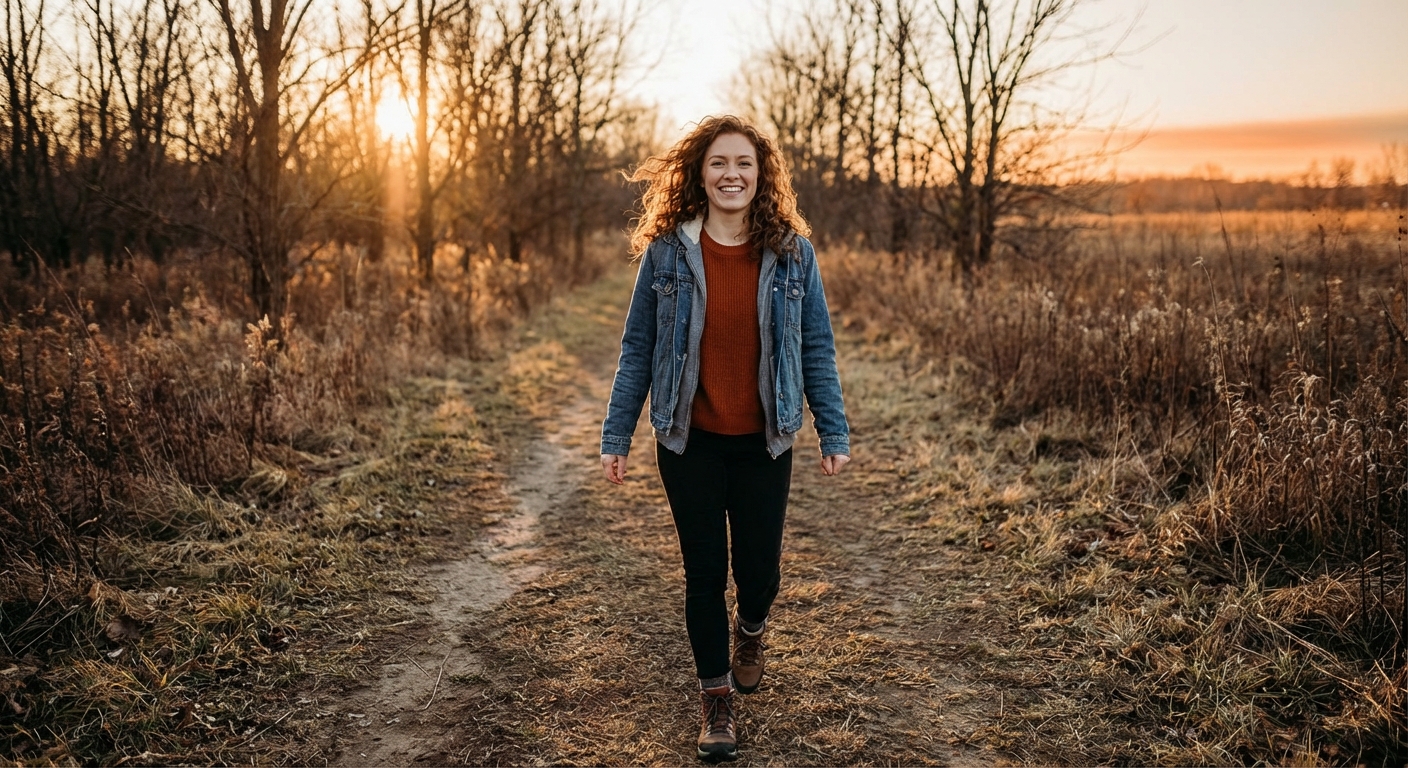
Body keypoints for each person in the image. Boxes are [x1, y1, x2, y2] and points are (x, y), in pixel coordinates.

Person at [599, 115, 851, 762]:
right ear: (699, 175)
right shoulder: (667, 252)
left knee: (759, 571)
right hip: (691, 442)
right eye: (718, 163)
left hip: (766, 440)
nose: (731, 174)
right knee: (704, 572)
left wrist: (832, 427)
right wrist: (617, 432)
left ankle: (753, 628)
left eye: (743, 163)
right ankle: (716, 701)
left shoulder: (794, 253)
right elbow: (638, 348)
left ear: (761, 174)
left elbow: (816, 345)